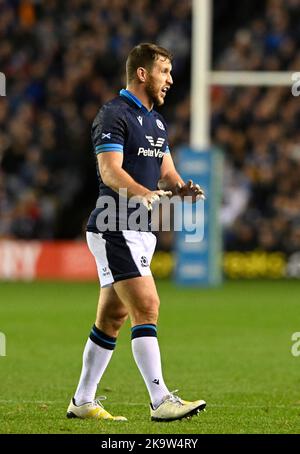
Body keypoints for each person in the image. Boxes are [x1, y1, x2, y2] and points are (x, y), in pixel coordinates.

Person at [67, 43, 206, 422]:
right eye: (164, 72)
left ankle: (82, 400)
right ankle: (161, 400)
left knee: (111, 318)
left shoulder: (157, 122)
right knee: (147, 306)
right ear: (142, 74)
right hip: (115, 224)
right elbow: (110, 171)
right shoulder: (114, 114)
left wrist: (182, 188)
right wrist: (144, 194)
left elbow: (167, 173)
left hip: (139, 229)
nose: (170, 80)